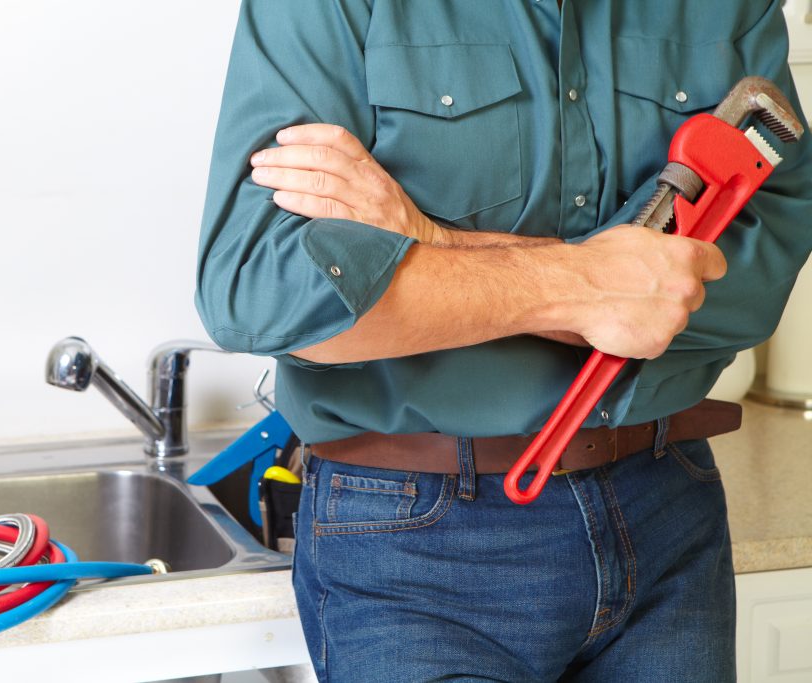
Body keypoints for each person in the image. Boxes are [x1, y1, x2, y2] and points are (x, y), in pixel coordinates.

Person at [195, 1, 812, 680]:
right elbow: (263, 292)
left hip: (669, 516)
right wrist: (583, 285)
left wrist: (431, 242)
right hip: (416, 552)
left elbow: (759, 280)